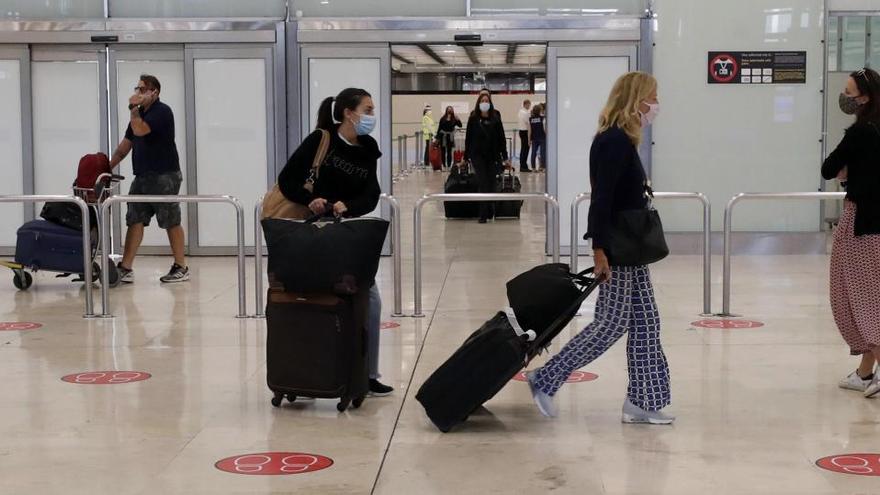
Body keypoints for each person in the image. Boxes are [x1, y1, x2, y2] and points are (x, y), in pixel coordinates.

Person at [525, 71, 674, 425]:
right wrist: (599, 250)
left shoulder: (623, 139)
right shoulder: (613, 142)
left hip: (631, 248)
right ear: (635, 100)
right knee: (610, 324)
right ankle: (545, 378)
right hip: (619, 248)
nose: (656, 105)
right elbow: (602, 199)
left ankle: (644, 400)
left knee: (647, 323)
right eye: (652, 97)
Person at [277, 87, 394, 397]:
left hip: (345, 232)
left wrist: (348, 206)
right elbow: (287, 179)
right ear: (348, 112)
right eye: (367, 110)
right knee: (309, 299)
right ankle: (303, 372)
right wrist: (311, 199)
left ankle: (366, 374)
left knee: (369, 299)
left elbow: (370, 194)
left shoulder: (368, 147)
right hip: (311, 231)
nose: (371, 116)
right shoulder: (321, 139)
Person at [821, 67, 880, 398]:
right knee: (873, 294)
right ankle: (863, 373)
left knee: (862, 298)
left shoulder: (860, 133)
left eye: (850, 93)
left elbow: (829, 167)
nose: (846, 99)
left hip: (863, 224)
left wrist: (850, 170)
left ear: (865, 98)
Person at [109, 75, 187, 283]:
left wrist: (134, 109)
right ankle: (126, 267)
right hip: (142, 176)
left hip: (165, 175)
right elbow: (125, 145)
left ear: (155, 92)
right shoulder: (139, 113)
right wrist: (107, 168)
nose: (139, 92)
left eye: (144, 89)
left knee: (170, 220)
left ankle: (181, 266)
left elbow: (140, 130)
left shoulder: (162, 112)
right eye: (138, 88)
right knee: (135, 219)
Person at [465, 93, 509, 224]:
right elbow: (469, 139)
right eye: (482, 100)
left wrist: (505, 157)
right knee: (483, 182)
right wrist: (465, 157)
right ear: (479, 103)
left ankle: (490, 210)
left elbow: (502, 138)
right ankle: (483, 214)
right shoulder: (473, 119)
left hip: (493, 155)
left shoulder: (496, 118)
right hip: (477, 156)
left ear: (490, 103)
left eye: (486, 100)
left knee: (491, 183)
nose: (484, 102)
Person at [528, 104, 547, 173]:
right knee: (543, 153)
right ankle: (543, 168)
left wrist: (529, 139)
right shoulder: (542, 118)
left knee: (533, 153)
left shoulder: (530, 119)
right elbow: (545, 129)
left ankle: (533, 168)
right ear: (540, 111)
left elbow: (529, 130)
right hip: (542, 137)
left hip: (534, 138)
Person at [518, 100, 532, 172]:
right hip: (525, 132)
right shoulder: (526, 113)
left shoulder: (520, 111)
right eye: (529, 105)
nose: (529, 106)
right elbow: (528, 126)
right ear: (526, 104)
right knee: (525, 150)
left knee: (523, 149)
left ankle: (523, 165)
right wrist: (529, 138)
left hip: (521, 131)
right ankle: (523, 166)